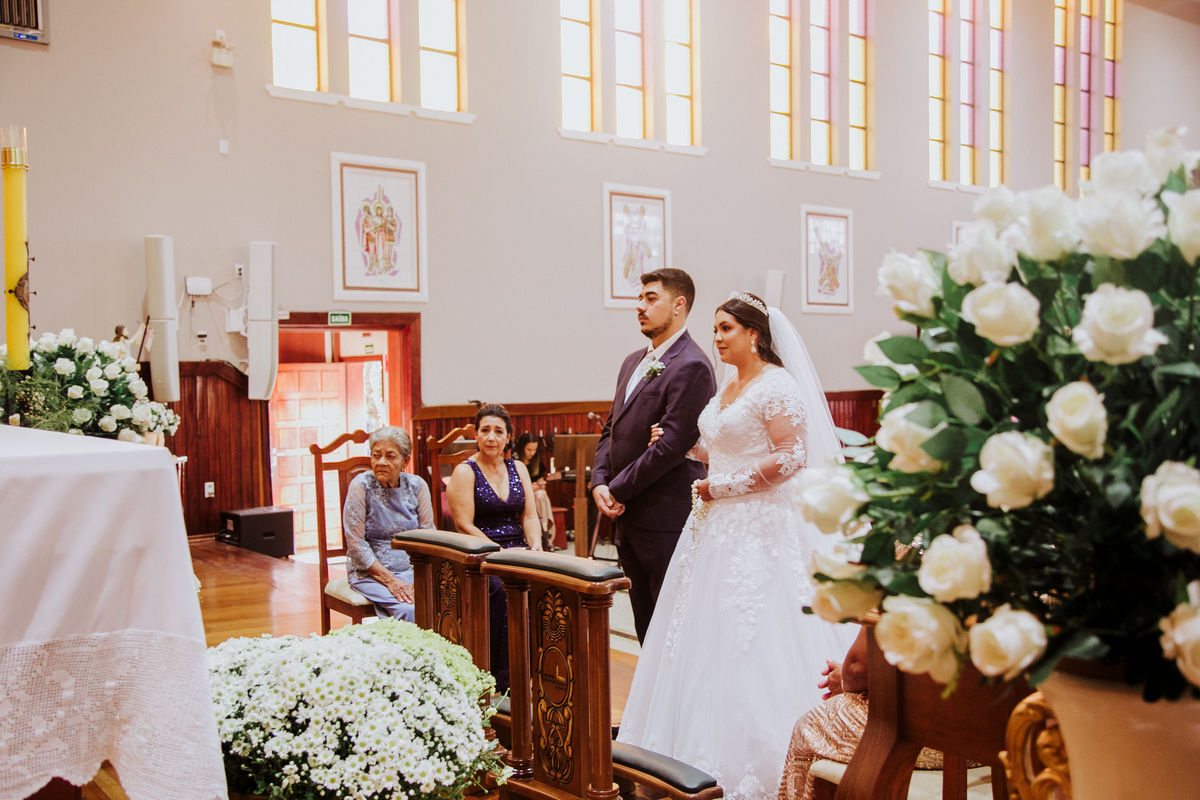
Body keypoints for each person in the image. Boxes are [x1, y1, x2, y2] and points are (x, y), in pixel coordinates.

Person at [616, 292, 858, 800]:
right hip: (714, 529)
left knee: (754, 636)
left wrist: (720, 487)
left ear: (754, 333)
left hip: (761, 529)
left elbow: (790, 457)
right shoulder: (730, 382)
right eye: (716, 328)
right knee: (701, 637)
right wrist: (692, 447)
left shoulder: (778, 385)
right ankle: (685, 753)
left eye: (727, 328)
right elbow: (729, 445)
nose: (718, 338)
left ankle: (762, 761)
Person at [591, 268, 716, 644]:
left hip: (665, 519)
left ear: (679, 305)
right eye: (639, 298)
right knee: (645, 623)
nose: (639, 306)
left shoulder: (692, 365)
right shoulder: (632, 361)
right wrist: (599, 481)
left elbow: (670, 447)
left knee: (672, 627)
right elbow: (611, 429)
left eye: (650, 298)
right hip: (628, 518)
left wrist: (616, 489)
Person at [777, 628, 943, 800]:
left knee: (810, 725)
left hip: (929, 739)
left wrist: (844, 680)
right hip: (960, 739)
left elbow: (858, 669)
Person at [447, 403, 543, 691]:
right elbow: (464, 524)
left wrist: (536, 547)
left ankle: (542, 675)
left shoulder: (519, 468)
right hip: (481, 554)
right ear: (476, 435)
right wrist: (499, 554)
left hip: (519, 550)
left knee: (551, 586)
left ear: (508, 437)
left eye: (498, 431)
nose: (491, 437)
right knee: (504, 590)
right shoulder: (465, 471)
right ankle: (504, 681)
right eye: (485, 430)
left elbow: (529, 516)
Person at [343, 426, 435, 622]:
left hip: (414, 569)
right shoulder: (361, 485)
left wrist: (421, 578)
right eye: (376, 455)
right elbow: (355, 543)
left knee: (445, 601)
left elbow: (429, 537)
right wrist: (391, 580)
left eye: (390, 456)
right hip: (371, 572)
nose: (381, 462)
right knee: (410, 609)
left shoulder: (418, 486)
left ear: (405, 461)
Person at [514, 432, 556, 550]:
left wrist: (540, 486)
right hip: (523, 496)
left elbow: (541, 483)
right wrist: (529, 489)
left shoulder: (536, 461)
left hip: (536, 496)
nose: (532, 453)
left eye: (534, 450)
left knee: (541, 494)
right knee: (539, 496)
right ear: (522, 448)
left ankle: (543, 529)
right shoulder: (515, 462)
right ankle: (545, 530)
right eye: (529, 450)